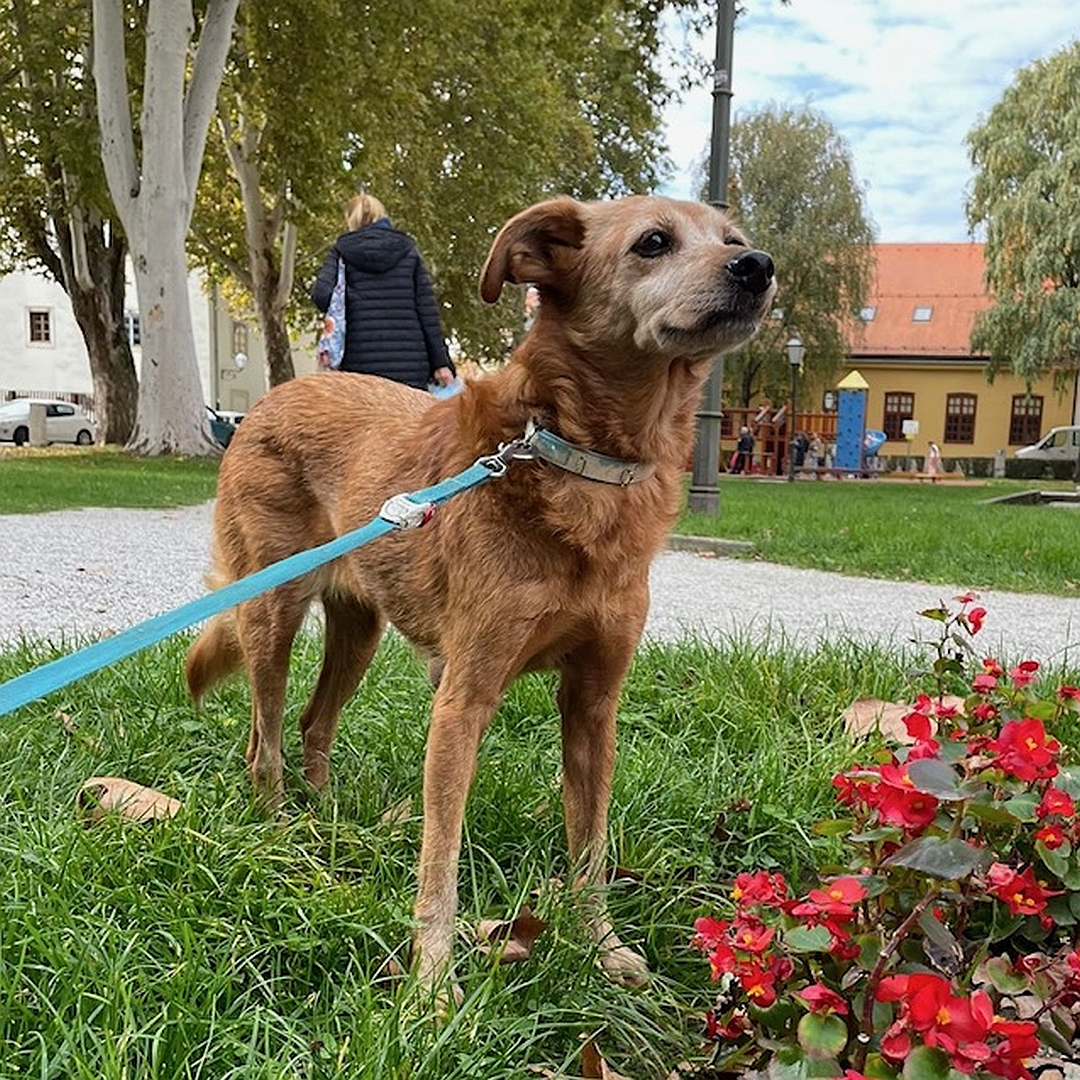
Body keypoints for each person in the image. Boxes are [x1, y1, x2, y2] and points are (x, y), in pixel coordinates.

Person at [311, 192, 456, 391]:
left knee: (364, 421)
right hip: (410, 364)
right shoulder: (407, 250)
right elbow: (427, 312)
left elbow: (321, 295)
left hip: (359, 365)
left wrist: (352, 302)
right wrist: (441, 363)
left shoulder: (342, 251)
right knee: (409, 421)